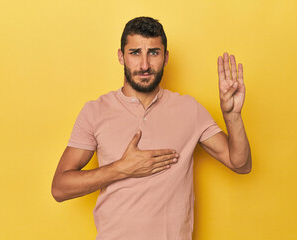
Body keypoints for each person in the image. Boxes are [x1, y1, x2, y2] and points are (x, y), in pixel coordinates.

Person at [51, 16, 252, 240]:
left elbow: (240, 164)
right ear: (121, 56)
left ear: (166, 57)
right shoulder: (95, 112)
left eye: (153, 53)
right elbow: (59, 188)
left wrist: (232, 116)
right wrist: (122, 169)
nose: (144, 65)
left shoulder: (189, 109)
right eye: (135, 52)